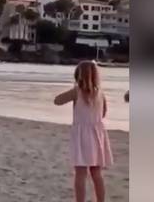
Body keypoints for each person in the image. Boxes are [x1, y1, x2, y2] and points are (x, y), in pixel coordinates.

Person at [54, 60, 113, 202]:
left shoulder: (76, 92)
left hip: (81, 136)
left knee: (80, 173)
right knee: (96, 173)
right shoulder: (101, 93)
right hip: (97, 134)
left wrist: (74, 89)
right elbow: (103, 113)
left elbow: (57, 100)